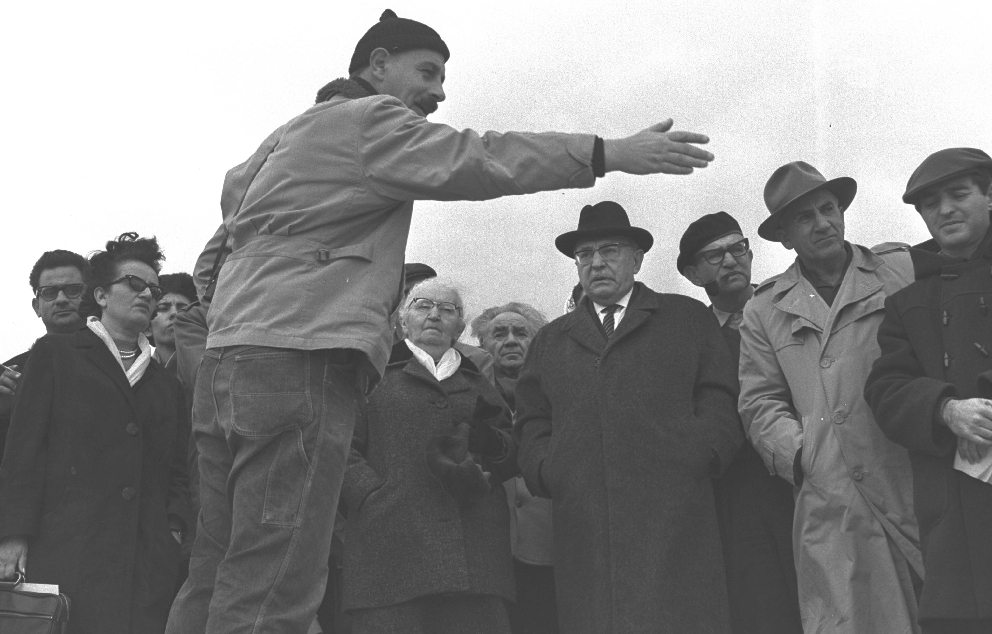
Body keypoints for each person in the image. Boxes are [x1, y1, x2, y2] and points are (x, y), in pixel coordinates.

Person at [170, 9, 715, 634]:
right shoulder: (368, 120)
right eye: (426, 72)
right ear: (376, 66)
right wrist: (605, 152)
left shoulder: (277, 145)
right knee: (276, 574)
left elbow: (214, 258)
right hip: (298, 363)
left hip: (227, 367)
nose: (438, 92)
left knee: (215, 569)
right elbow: (475, 158)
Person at [515, 201, 742, 633]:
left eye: (611, 250)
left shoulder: (686, 318)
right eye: (585, 254)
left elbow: (720, 397)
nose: (596, 262)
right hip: (586, 526)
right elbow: (532, 419)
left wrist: (702, 452)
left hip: (677, 518)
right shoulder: (550, 340)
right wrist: (548, 469)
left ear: (637, 259)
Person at [738, 162, 923, 633]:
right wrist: (804, 456)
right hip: (833, 501)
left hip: (911, 476)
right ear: (784, 237)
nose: (822, 223)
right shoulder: (764, 309)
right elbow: (760, 401)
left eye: (828, 209)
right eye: (805, 218)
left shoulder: (900, 269)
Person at [0, 233, 191, 634]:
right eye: (134, 284)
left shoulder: (166, 384)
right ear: (101, 296)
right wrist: (13, 535)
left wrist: (171, 530)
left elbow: (176, 468)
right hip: (68, 548)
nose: (146, 295)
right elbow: (24, 451)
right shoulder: (54, 355)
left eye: (153, 290)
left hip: (143, 562)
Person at [340, 278, 517, 633]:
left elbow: (513, 451)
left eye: (447, 309)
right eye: (422, 305)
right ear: (402, 320)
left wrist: (492, 442)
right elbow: (341, 447)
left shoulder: (479, 382)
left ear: (460, 327)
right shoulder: (370, 375)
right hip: (387, 553)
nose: (434, 315)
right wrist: (372, 497)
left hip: (474, 558)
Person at [865, 147, 992, 634]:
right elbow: (885, 388)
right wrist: (945, 409)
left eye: (959, 194)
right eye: (930, 204)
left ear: (988, 196)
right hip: (956, 532)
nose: (945, 210)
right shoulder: (907, 303)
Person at [678, 212, 801, 634]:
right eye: (714, 255)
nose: (730, 261)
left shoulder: (784, 307)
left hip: (798, 476)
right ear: (693, 274)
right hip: (730, 494)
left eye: (738, 248)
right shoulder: (687, 335)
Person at [472, 302, 557, 634]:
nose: (509, 340)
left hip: (548, 541)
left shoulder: (557, 391)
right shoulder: (468, 394)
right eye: (499, 334)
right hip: (490, 545)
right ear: (484, 345)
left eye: (520, 333)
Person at [0, 249, 89, 457]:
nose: (61, 299)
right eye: (49, 292)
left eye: (73, 289)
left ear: (91, 297)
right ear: (37, 306)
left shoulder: (120, 363)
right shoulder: (9, 376)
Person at [148, 272, 197, 371]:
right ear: (147, 328)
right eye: (163, 308)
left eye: (183, 308)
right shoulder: (135, 376)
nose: (175, 313)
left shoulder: (212, 369)